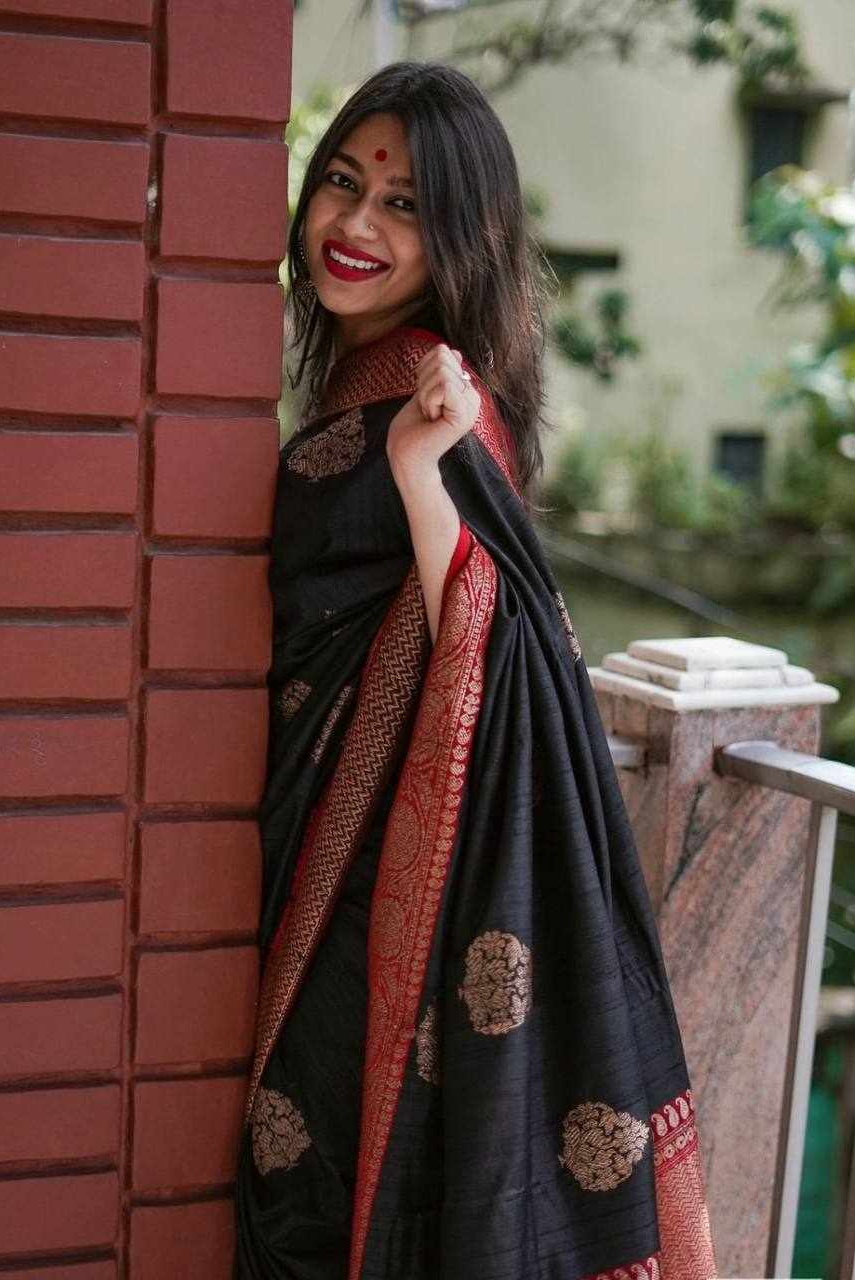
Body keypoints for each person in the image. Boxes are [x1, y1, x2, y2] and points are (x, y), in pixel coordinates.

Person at [233, 59, 718, 1280]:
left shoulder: (433, 399)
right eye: (341, 182)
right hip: (320, 853)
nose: (355, 222)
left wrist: (414, 467)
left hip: (387, 895)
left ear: (461, 235)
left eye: (402, 203)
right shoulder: (358, 376)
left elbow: (495, 644)